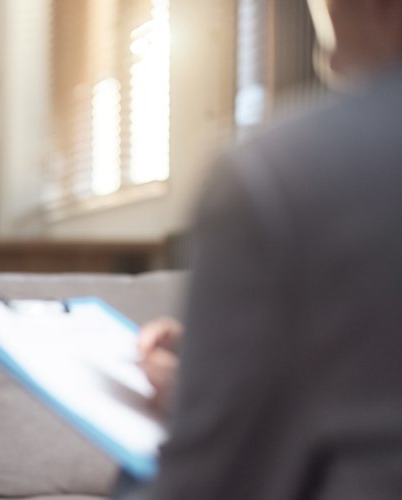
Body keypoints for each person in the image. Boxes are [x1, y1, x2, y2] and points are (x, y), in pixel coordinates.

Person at [115, 0, 402, 498]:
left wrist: (201, 399)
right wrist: (223, 356)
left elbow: (208, 483)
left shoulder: (283, 172)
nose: (327, 52)